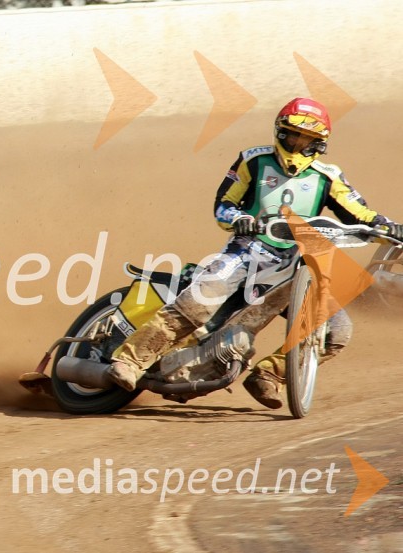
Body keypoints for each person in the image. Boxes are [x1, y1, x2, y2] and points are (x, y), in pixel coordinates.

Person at [107, 97, 403, 409]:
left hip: (297, 266)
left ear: (319, 144)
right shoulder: (253, 161)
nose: (298, 143)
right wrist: (240, 220)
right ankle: (131, 361)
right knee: (197, 303)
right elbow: (224, 205)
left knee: (336, 330)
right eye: (293, 135)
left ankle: (269, 376)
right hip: (246, 252)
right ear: (280, 132)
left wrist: (390, 227)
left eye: (307, 139)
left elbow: (360, 213)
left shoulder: (327, 176)